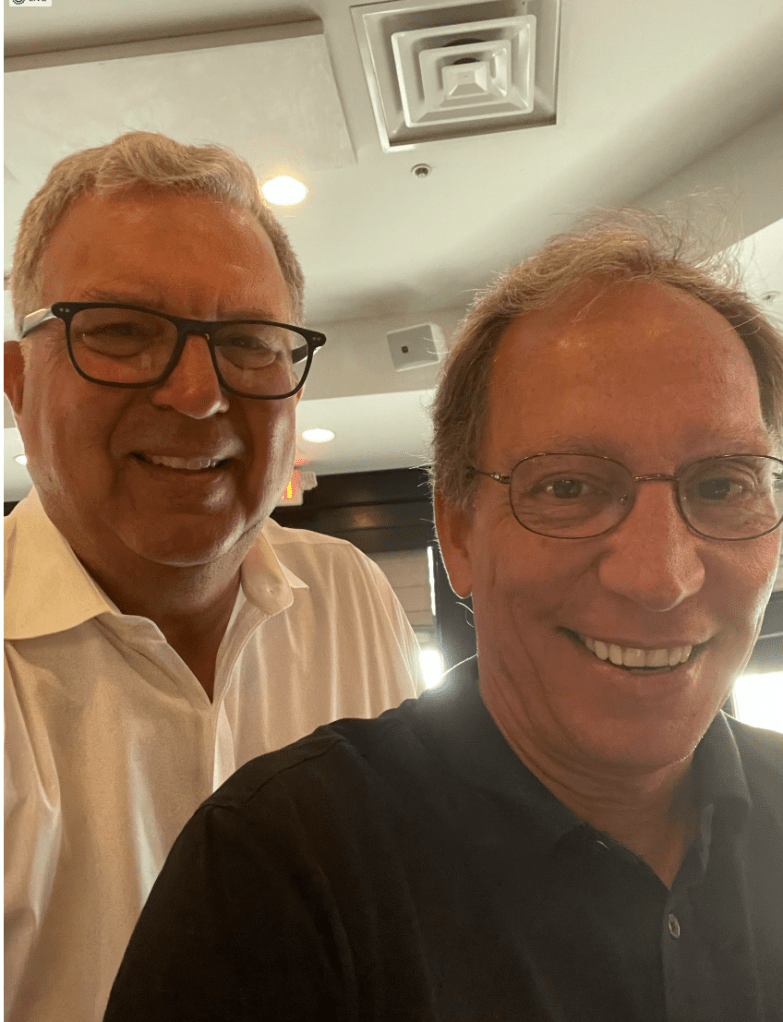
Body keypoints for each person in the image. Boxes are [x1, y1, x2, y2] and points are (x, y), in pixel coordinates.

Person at [103, 212, 783, 1022]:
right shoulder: (276, 869)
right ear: (456, 532)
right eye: (567, 487)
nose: (660, 578)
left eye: (722, 485)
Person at [3, 131, 425, 1022]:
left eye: (249, 342)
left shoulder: (350, 595)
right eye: (121, 331)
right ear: (17, 383)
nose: (197, 393)